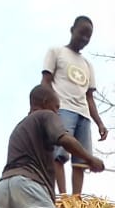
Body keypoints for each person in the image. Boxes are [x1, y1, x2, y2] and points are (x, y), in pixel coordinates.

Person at [41, 15, 108, 196]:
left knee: (81, 161)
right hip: (62, 109)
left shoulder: (87, 65)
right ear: (72, 30)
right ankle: (63, 196)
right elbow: (45, 82)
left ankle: (76, 200)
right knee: (59, 154)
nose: (84, 39)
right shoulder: (56, 52)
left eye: (88, 37)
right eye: (82, 34)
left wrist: (99, 123)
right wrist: (46, 108)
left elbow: (89, 97)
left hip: (83, 114)